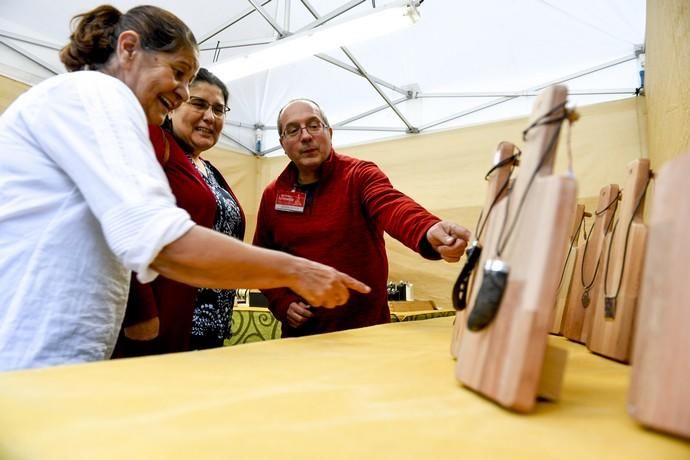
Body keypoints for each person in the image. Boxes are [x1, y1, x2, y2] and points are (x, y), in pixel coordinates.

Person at [0, 6, 368, 372]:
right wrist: (294, 270)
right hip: (35, 350)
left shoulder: (92, 102)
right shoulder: (97, 95)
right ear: (128, 48)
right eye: (178, 74)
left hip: (61, 348)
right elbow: (159, 240)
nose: (181, 92)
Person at [253, 98, 471, 337]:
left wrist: (427, 229)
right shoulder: (273, 195)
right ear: (283, 144)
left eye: (314, 126)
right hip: (301, 338)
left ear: (330, 133)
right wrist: (282, 303)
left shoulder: (359, 175)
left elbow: (392, 205)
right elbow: (263, 262)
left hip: (367, 335)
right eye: (293, 130)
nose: (305, 136)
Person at [114, 68, 245, 356]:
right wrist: (141, 311)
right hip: (162, 320)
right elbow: (125, 226)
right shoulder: (155, 147)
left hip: (211, 327)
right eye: (198, 104)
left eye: (219, 109)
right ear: (173, 107)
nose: (210, 117)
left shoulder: (210, 171)